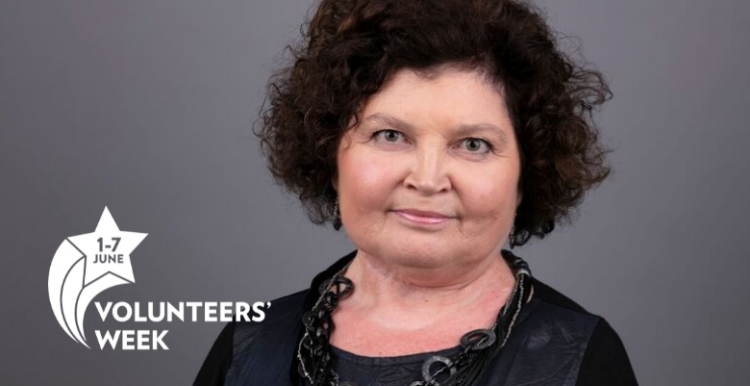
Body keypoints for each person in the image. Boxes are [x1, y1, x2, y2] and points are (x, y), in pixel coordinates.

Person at [194, 0, 638, 385]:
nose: (427, 179)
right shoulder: (248, 345)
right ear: (330, 156)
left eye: (473, 144)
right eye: (390, 136)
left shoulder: (581, 357)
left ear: (527, 175)